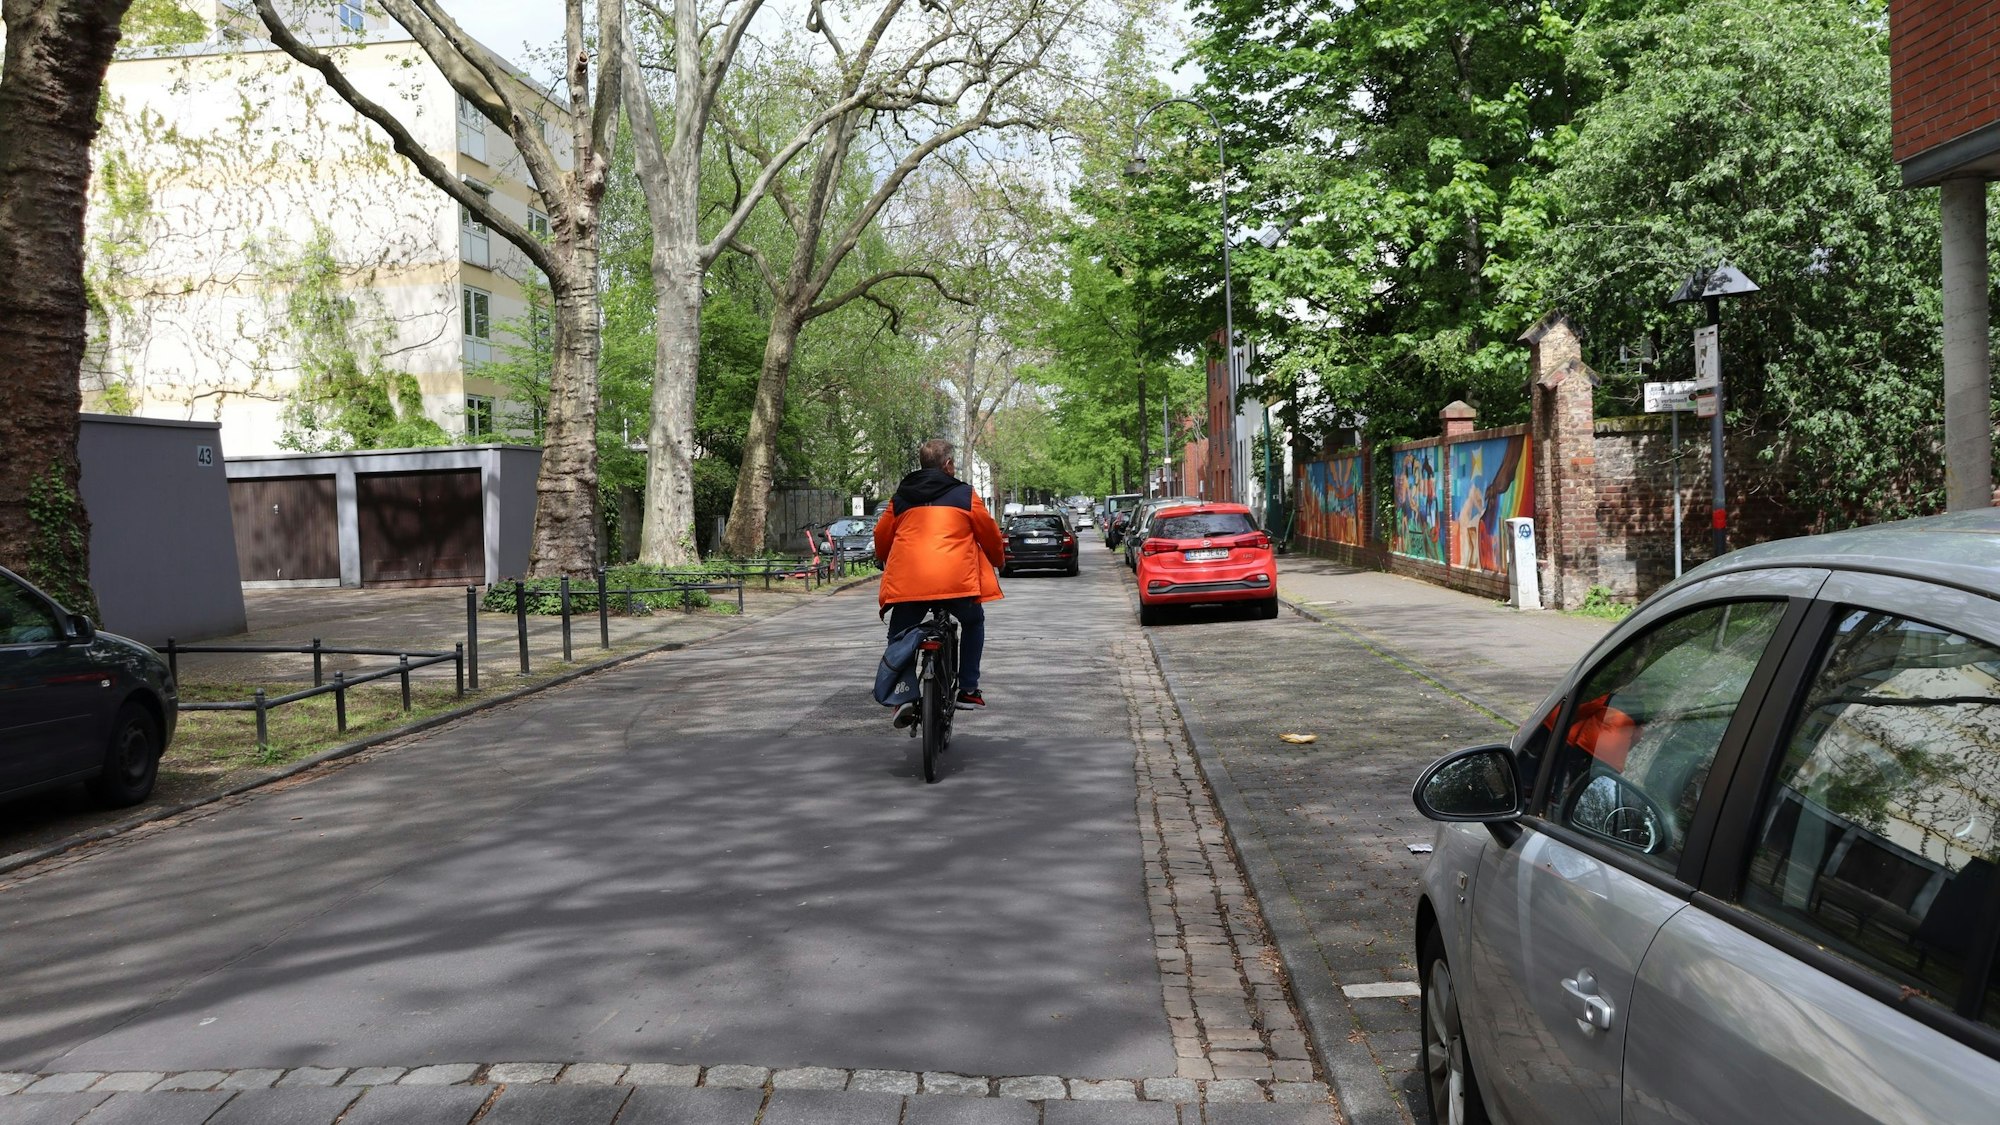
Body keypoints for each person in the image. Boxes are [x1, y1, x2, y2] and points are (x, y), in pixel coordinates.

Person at [874, 439, 1004, 723]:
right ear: (947, 465)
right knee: (973, 622)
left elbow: (881, 537)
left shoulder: (901, 498)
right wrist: (998, 560)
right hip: (957, 584)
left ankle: (902, 693)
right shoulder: (965, 494)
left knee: (899, 634)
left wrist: (883, 557)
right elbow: (990, 534)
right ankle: (968, 688)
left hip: (910, 585)